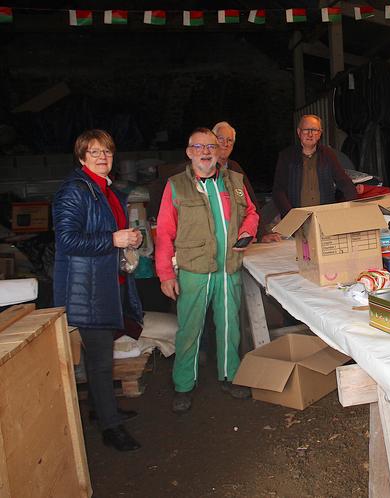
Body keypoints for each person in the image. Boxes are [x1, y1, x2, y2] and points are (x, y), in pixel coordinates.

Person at [155, 128, 259, 413]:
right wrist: (165, 274)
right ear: (189, 152)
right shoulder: (177, 185)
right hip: (195, 269)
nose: (205, 152)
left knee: (230, 326)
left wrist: (248, 231)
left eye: (210, 147)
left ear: (219, 151)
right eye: (198, 147)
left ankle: (230, 376)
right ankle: (183, 385)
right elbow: (164, 232)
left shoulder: (234, 181)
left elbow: (251, 212)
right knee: (190, 329)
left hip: (228, 268)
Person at [53, 129, 143, 451]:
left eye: (107, 151)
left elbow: (115, 230)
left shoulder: (108, 190)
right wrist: (113, 240)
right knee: (102, 359)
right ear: (81, 157)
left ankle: (99, 410)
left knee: (97, 356)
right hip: (87, 288)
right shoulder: (75, 191)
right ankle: (111, 428)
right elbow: (67, 240)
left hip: (110, 281)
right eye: (94, 152)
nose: (102, 157)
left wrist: (132, 238)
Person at [272, 114, 357, 217]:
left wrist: (346, 208)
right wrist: (291, 215)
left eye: (315, 130)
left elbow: (345, 183)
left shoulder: (328, 155)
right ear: (299, 132)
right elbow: (278, 190)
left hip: (324, 216)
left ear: (320, 133)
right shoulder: (286, 156)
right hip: (296, 218)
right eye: (306, 130)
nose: (310, 134)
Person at [213, 121, 281, 243]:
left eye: (229, 140)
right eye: (221, 139)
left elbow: (251, 203)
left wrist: (261, 234)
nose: (225, 144)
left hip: (239, 239)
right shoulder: (204, 169)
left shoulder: (235, 168)